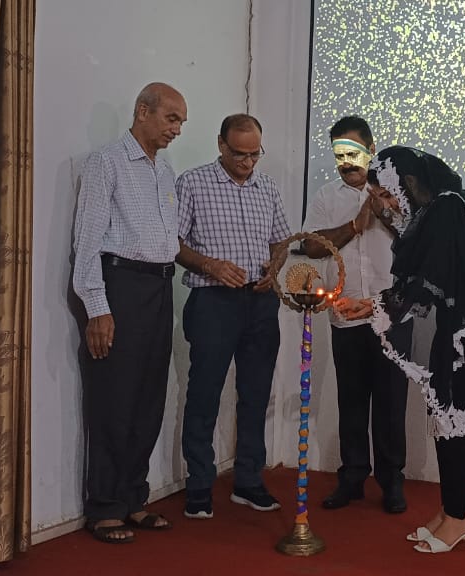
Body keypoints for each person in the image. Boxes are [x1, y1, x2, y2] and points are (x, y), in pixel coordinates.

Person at [334, 146, 465, 554]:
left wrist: (379, 304)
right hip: (456, 328)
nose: (385, 204)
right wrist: (377, 304)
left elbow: (433, 277)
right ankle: (453, 512)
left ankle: (460, 518)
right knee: (446, 418)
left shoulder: (448, 207)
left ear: (409, 183)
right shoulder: (438, 209)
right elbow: (425, 275)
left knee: (456, 419)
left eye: (387, 193)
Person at [72, 82, 187, 544]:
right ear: (143, 111)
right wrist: (98, 308)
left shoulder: (165, 170)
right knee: (114, 398)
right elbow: (87, 240)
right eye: (171, 118)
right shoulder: (107, 162)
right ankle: (104, 507)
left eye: (181, 122)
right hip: (120, 285)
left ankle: (134, 498)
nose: (177, 129)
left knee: (148, 398)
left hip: (160, 286)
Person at [174, 113, 291, 518]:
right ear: (221, 145)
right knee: (204, 393)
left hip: (260, 302)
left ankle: (249, 480)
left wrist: (274, 269)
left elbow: (281, 241)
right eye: (240, 154)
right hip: (213, 302)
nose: (248, 162)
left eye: (255, 154)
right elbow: (173, 242)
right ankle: (199, 485)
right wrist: (210, 265)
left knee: (256, 394)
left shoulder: (267, 188)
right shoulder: (193, 183)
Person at [300, 116, 409, 514]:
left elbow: (416, 240)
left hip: (390, 313)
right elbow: (311, 247)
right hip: (345, 312)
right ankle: (352, 477)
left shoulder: (397, 192)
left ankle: (392, 482)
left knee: (391, 403)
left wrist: (385, 214)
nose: (346, 163)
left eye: (354, 153)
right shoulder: (326, 197)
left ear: (371, 149)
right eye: (339, 155)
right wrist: (354, 224)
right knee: (351, 401)